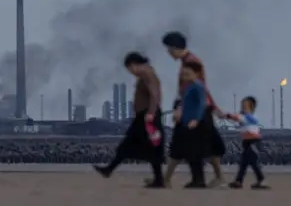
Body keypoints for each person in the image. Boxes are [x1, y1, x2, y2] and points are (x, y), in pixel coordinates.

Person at [161, 31, 226, 188]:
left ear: (176, 48)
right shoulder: (188, 62)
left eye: (169, 49)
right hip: (199, 108)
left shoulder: (192, 63)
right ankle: (167, 179)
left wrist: (180, 108)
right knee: (200, 145)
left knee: (192, 145)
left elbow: (199, 88)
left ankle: (170, 179)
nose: (168, 53)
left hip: (196, 109)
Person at [93, 51, 165, 188]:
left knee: (151, 147)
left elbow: (155, 94)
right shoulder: (146, 74)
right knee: (132, 144)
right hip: (142, 117)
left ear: (134, 65)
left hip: (147, 116)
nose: (131, 72)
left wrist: (151, 112)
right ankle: (109, 169)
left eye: (130, 68)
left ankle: (159, 180)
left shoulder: (147, 73)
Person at [225, 96, 270, 189]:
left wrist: (228, 115)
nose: (243, 107)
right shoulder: (244, 117)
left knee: (253, 161)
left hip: (253, 141)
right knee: (244, 163)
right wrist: (228, 117)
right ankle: (239, 181)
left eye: (245, 105)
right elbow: (237, 121)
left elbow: (239, 118)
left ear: (252, 107)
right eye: (242, 105)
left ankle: (262, 179)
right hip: (246, 142)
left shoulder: (252, 117)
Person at [178, 61, 209, 188]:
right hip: (187, 123)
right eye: (183, 73)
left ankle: (199, 180)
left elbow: (202, 104)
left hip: (195, 125)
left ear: (196, 73)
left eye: (187, 73)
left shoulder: (198, 86)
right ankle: (196, 179)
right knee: (191, 154)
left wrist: (196, 119)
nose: (184, 76)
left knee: (195, 154)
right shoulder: (188, 86)